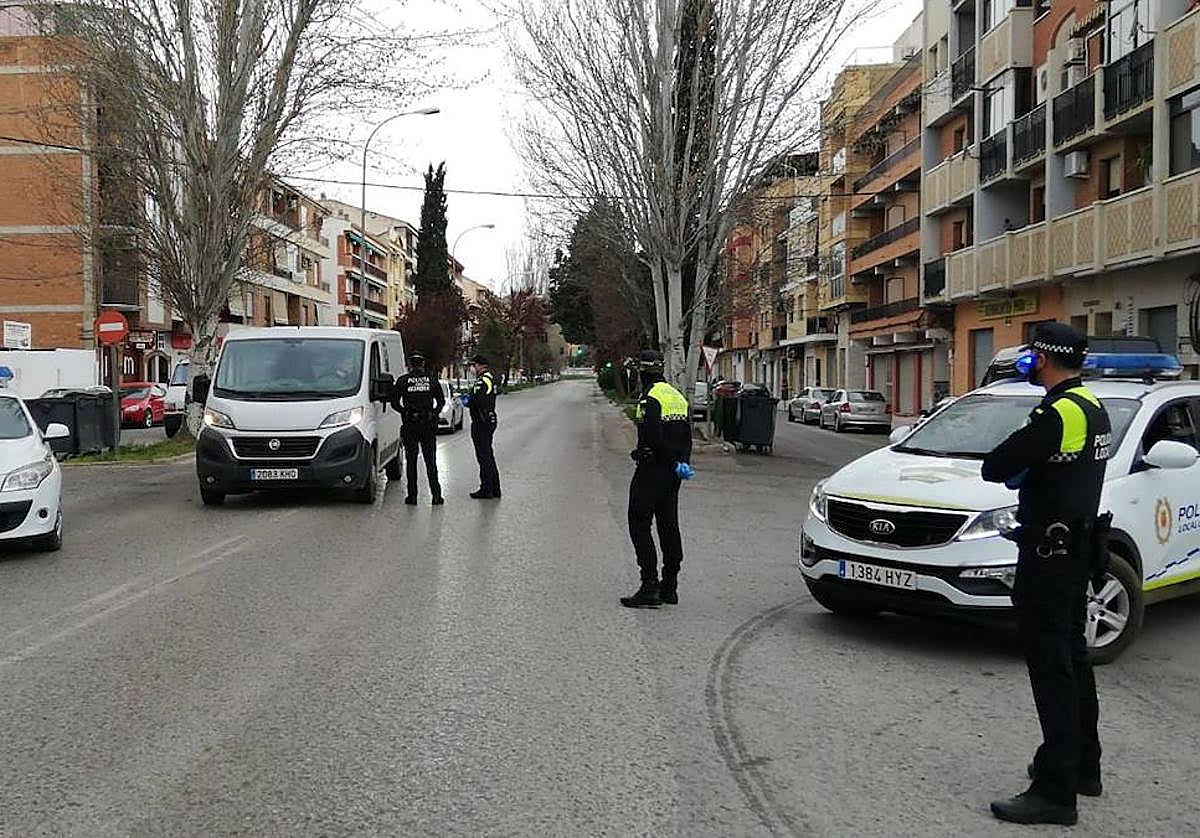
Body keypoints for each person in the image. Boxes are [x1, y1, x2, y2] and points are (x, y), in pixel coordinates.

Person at [981, 323, 1112, 827]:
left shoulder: (1057, 412)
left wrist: (1026, 467)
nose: (1027, 361)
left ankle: (1055, 791)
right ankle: (1084, 766)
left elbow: (997, 466)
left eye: (1031, 354)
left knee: (1052, 667)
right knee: (1073, 659)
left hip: (1050, 555)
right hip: (1077, 548)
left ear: (1041, 359)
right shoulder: (1092, 407)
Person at [621, 350, 692, 609]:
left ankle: (649, 585)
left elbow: (651, 435)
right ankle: (670, 585)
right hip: (673, 475)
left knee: (639, 522)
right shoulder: (677, 396)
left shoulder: (649, 398)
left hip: (652, 469)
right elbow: (686, 436)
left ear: (642, 371)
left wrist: (668, 461)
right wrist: (682, 463)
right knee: (668, 526)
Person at [391, 352, 445, 506]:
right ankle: (436, 496)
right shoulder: (432, 380)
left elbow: (394, 401)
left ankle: (412, 496)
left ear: (410, 365)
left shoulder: (403, 381)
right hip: (427, 425)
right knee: (430, 462)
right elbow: (440, 402)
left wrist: (405, 412)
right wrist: (433, 414)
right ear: (422, 364)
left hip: (410, 425)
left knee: (412, 462)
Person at [465, 355, 500, 500]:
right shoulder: (489, 378)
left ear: (480, 366)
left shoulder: (482, 381)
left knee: (483, 457)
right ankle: (494, 488)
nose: (472, 368)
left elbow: (477, 400)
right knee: (488, 456)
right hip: (488, 420)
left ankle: (486, 489)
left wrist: (467, 400)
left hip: (482, 421)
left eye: (474, 365)